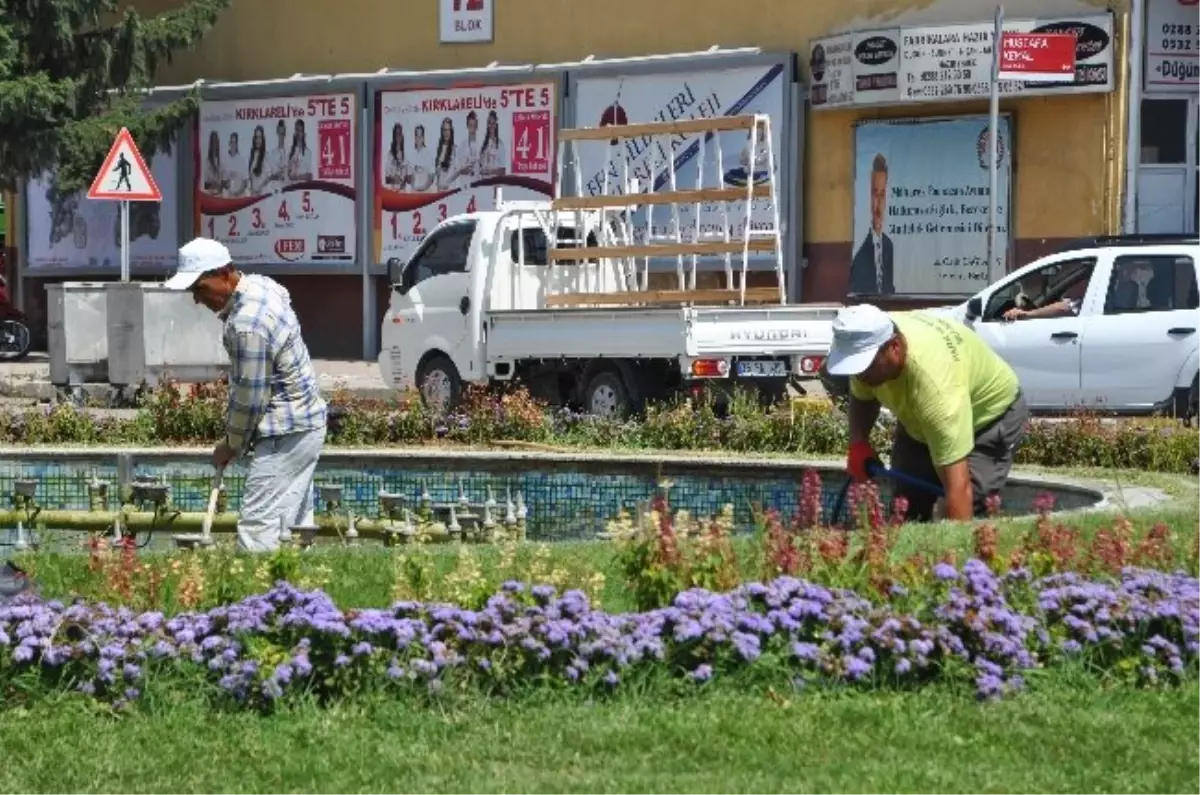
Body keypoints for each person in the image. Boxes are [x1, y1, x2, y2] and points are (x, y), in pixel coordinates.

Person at [164, 237, 328, 551]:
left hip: (286, 430)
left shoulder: (246, 324)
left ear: (224, 274)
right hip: (307, 424)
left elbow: (251, 397)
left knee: (258, 530)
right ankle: (298, 596)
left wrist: (231, 444)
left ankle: (254, 598)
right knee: (292, 529)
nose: (197, 300)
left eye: (200, 288)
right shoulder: (261, 287)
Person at [825, 304, 1029, 522]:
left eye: (865, 367)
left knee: (962, 505)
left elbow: (959, 490)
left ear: (894, 347)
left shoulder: (936, 391)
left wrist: (952, 552)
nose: (859, 376)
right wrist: (859, 442)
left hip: (989, 417)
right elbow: (862, 396)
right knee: (907, 504)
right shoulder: (871, 340)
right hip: (921, 417)